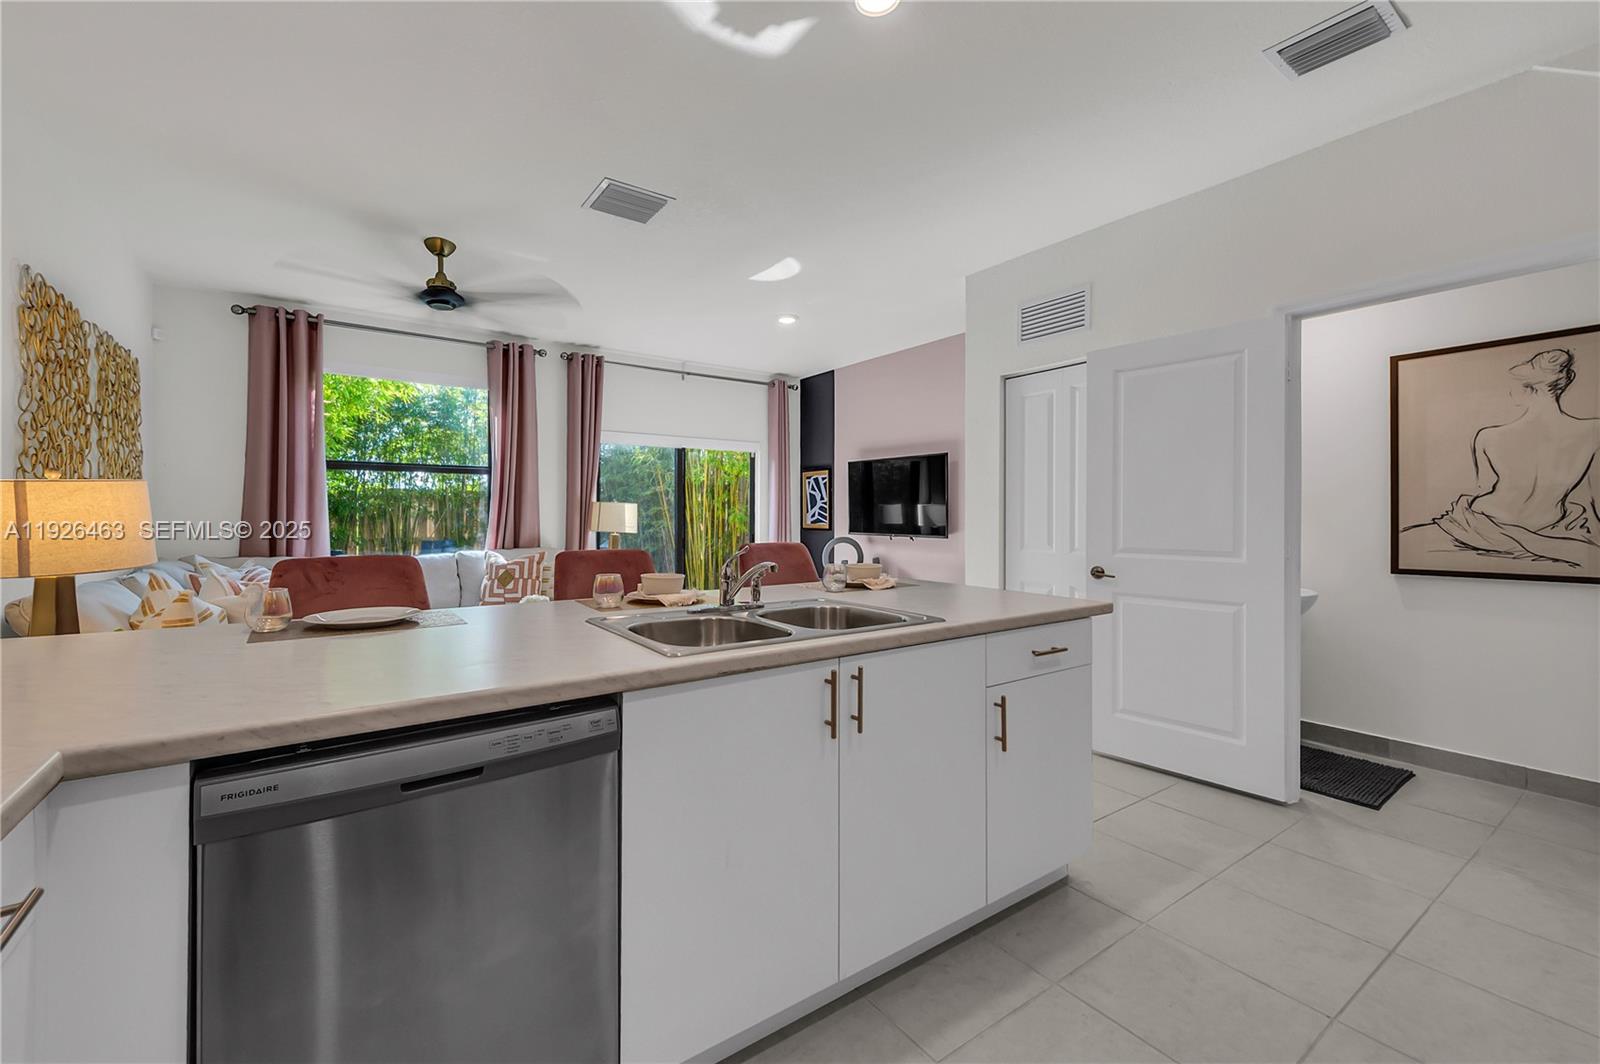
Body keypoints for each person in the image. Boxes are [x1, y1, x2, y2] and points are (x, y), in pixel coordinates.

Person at [1406, 347, 1599, 569]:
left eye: (1513, 386)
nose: (1509, 392)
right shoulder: (1593, 431)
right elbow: (1594, 499)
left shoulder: (1489, 436)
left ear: (1528, 389)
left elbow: (1483, 487)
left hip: (1482, 521)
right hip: (1547, 522)